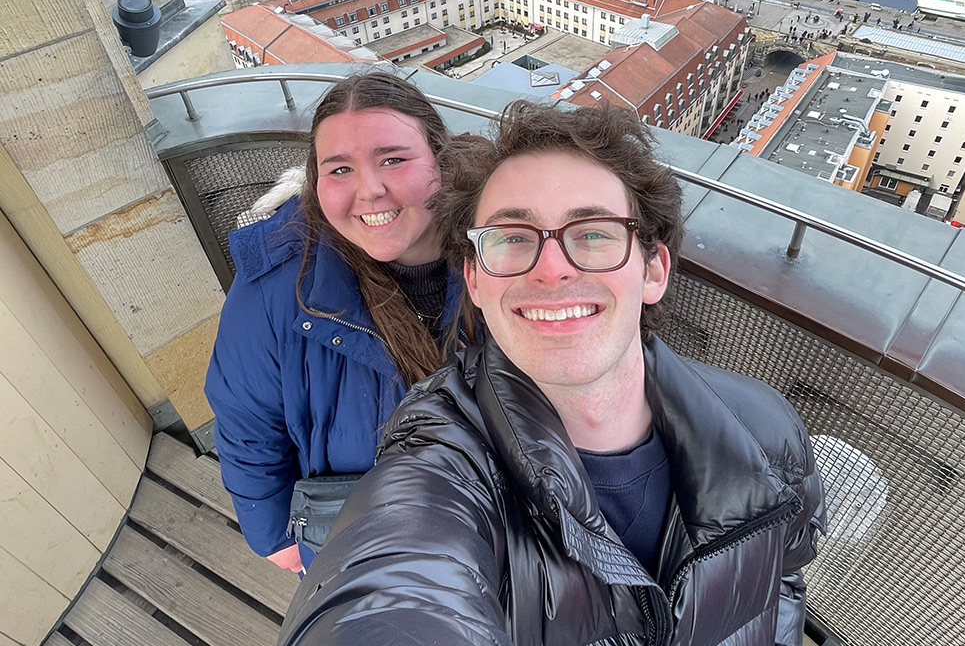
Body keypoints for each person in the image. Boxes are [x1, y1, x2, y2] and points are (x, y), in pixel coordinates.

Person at [280, 102, 826, 645]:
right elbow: (392, 587)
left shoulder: (764, 426)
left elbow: (781, 576)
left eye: (592, 233)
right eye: (512, 239)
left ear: (653, 270)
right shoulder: (444, 468)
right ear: (474, 280)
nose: (552, 269)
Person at [205, 70, 472, 573]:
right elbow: (247, 423)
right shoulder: (277, 289)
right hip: (366, 549)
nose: (370, 190)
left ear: (441, 161)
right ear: (316, 182)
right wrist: (274, 535)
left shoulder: (508, 251)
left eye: (393, 159)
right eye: (340, 170)